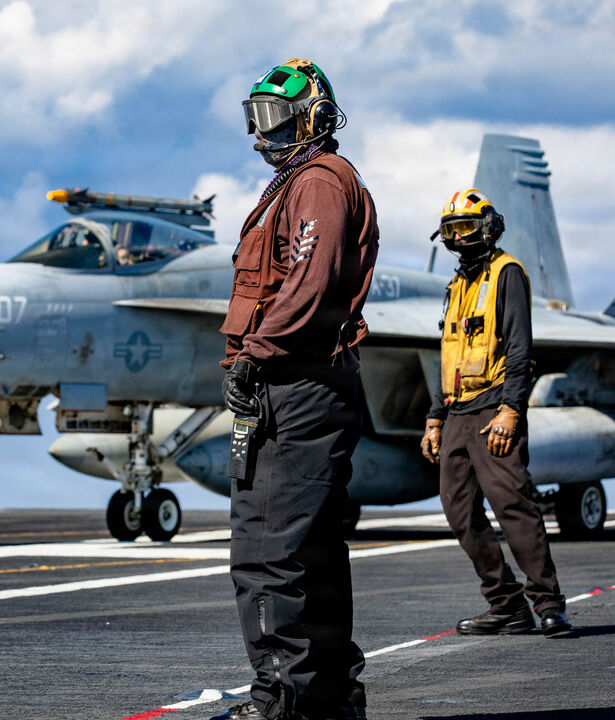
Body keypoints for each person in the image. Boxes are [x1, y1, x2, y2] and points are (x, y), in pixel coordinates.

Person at [212, 58, 379, 720]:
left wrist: (255, 354)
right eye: (254, 120)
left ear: (312, 117)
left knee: (268, 555)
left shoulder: (319, 184)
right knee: (309, 555)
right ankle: (328, 705)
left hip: (298, 386)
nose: (260, 137)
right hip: (294, 385)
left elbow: (308, 285)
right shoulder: (297, 186)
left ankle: (281, 703)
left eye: (274, 120)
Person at [420, 188, 573, 639]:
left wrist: (511, 409)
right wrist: (434, 417)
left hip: (493, 409)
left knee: (514, 506)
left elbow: (521, 346)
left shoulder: (507, 274)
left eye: (466, 228)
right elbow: (446, 353)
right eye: (451, 231)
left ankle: (549, 604)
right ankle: (505, 605)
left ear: (489, 228)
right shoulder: (456, 286)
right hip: (456, 413)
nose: (459, 238)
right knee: (459, 512)